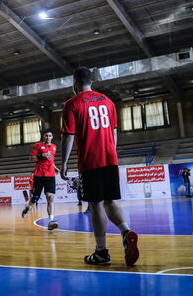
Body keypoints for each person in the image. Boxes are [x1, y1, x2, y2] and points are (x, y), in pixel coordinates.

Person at [60, 67, 139, 266]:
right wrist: (112, 154)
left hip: (90, 160)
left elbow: (68, 135)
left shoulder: (72, 104)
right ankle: (126, 232)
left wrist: (63, 163)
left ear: (75, 82)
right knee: (110, 201)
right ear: (92, 81)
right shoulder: (108, 101)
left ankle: (101, 252)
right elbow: (113, 133)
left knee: (95, 204)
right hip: (110, 158)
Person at [21, 129, 60, 230]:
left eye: (50, 135)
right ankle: (27, 208)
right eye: (46, 135)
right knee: (35, 199)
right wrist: (41, 155)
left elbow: (51, 159)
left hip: (50, 174)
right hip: (39, 174)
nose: (48, 137)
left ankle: (51, 221)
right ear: (44, 136)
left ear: (52, 137)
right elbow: (31, 158)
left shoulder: (54, 147)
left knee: (50, 197)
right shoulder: (37, 146)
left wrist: (54, 167)